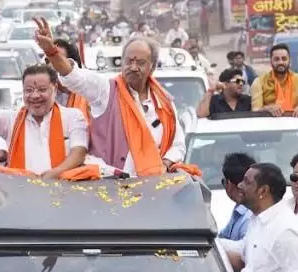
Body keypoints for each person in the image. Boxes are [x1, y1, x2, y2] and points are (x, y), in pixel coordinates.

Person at [35, 18, 187, 177]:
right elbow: (74, 77)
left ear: (153, 67)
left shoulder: (164, 103)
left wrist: (164, 164)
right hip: (111, 188)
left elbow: (178, 145)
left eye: (140, 62)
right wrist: (51, 51)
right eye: (129, 61)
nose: (133, 67)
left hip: (153, 188)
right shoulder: (106, 91)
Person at [0, 64, 88, 178]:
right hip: (20, 199)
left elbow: (79, 152)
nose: (35, 95)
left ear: (54, 89)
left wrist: (54, 174)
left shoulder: (73, 117)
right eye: (29, 90)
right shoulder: (12, 120)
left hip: (64, 195)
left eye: (42, 89)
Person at [251, 43, 298, 117]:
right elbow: (255, 110)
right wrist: (267, 108)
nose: (281, 62)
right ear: (271, 61)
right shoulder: (259, 82)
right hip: (269, 125)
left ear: (289, 60)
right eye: (276, 59)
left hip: (295, 122)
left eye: (284, 59)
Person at [217, 152, 256, 241]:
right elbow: (222, 237)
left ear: (229, 184)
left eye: (224, 181)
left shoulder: (249, 218)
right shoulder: (240, 210)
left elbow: (243, 253)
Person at [51, 38, 92, 120]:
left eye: (58, 60)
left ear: (72, 64)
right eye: (47, 61)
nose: (51, 65)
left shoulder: (89, 95)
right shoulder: (41, 96)